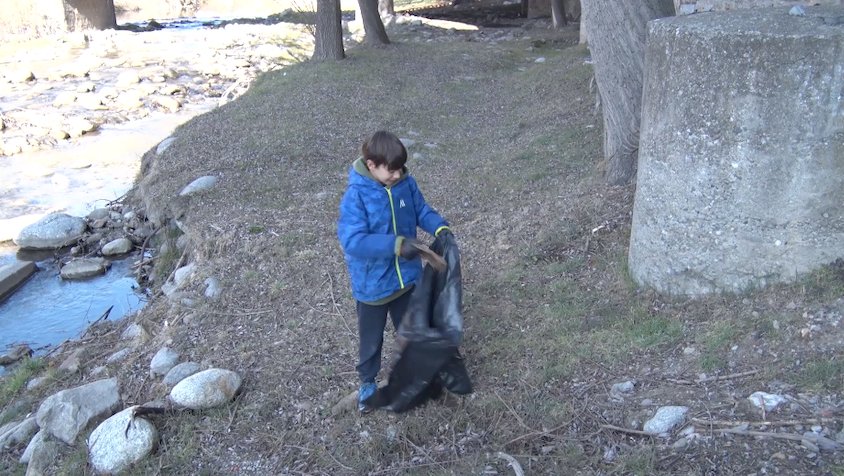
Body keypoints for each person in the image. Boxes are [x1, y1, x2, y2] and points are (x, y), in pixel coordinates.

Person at [337, 130, 452, 413]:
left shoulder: (405, 184)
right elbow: (353, 241)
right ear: (372, 164)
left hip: (406, 279)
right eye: (392, 169)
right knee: (371, 340)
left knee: (412, 331)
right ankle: (368, 382)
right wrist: (396, 245)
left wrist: (439, 226)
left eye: (401, 167)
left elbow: (420, 210)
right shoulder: (356, 196)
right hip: (373, 286)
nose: (398, 174)